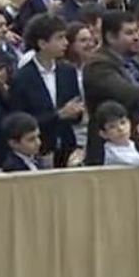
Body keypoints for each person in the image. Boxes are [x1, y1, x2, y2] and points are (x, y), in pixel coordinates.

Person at [9, 14, 84, 167]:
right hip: (39, 150)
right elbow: (19, 120)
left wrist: (77, 112)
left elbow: (75, 113)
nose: (66, 42)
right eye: (60, 38)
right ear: (42, 43)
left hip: (67, 147)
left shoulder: (68, 72)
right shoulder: (22, 78)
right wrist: (58, 115)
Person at [82, 11, 139, 166]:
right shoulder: (98, 65)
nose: (136, 37)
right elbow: (127, 94)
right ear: (111, 37)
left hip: (133, 139)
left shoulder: (128, 61)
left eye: (136, 31)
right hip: (110, 146)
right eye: (129, 33)